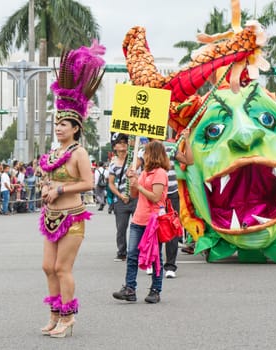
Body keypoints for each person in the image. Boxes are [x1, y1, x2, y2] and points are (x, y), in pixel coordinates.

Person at [38, 42, 105, 338]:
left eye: (64, 124)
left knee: (63, 268)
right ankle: (53, 315)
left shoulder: (79, 152)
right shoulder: (53, 153)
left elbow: (89, 183)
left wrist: (61, 188)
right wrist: (46, 188)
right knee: (47, 267)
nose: (59, 128)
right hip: (50, 216)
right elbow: (49, 179)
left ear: (76, 127)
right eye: (57, 123)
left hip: (72, 217)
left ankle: (68, 318)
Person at [112, 141, 170, 304]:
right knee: (132, 256)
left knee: (155, 257)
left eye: (145, 153)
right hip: (138, 219)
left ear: (153, 154)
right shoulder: (145, 172)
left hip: (153, 221)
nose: (142, 156)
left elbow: (155, 197)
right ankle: (130, 288)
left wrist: (138, 184)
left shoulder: (160, 173)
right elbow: (135, 194)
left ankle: (155, 290)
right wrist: (133, 180)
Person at [163, 129, 193, 278]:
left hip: (172, 194)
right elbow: (137, 166)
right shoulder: (143, 150)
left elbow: (189, 161)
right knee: (153, 229)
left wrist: (186, 140)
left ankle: (170, 266)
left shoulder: (170, 147)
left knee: (173, 229)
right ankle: (152, 262)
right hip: (153, 196)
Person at [108, 133, 137, 262]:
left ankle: (137, 251)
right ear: (114, 147)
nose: (123, 144)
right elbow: (111, 183)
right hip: (121, 200)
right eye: (119, 143)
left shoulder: (134, 160)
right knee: (121, 228)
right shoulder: (113, 164)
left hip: (136, 198)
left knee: (138, 226)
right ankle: (122, 252)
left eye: (125, 142)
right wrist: (120, 195)